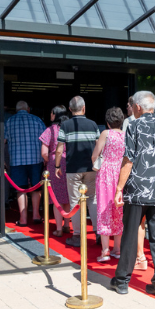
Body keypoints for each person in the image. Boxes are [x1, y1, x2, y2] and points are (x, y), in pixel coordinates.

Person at [111, 91, 155, 298]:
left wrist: (119, 188)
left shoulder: (133, 126)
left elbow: (128, 160)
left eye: (132, 106)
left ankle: (122, 281)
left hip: (137, 191)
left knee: (130, 236)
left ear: (138, 107)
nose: (131, 109)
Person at [55, 96, 100, 248]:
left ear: (70, 109)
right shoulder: (93, 124)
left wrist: (56, 166)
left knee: (74, 201)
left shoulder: (65, 126)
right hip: (91, 168)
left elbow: (60, 149)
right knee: (92, 199)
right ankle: (98, 232)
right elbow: (98, 146)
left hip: (73, 169)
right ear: (84, 108)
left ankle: (77, 235)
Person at [92, 107, 125, 261]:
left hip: (106, 173)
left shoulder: (106, 133)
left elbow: (95, 155)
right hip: (121, 173)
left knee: (104, 209)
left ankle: (105, 250)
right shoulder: (126, 135)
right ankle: (117, 249)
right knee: (119, 210)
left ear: (108, 122)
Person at [5, 101, 46, 226]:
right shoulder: (37, 120)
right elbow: (45, 139)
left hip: (16, 160)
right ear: (28, 109)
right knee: (36, 188)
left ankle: (23, 218)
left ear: (16, 110)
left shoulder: (9, 121)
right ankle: (36, 215)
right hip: (35, 159)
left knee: (20, 189)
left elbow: (4, 140)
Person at [39, 105, 70, 236]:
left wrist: (49, 160)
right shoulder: (69, 129)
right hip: (68, 162)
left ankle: (58, 228)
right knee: (68, 197)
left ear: (55, 115)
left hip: (54, 164)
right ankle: (67, 225)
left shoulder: (50, 130)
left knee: (56, 198)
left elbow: (44, 152)